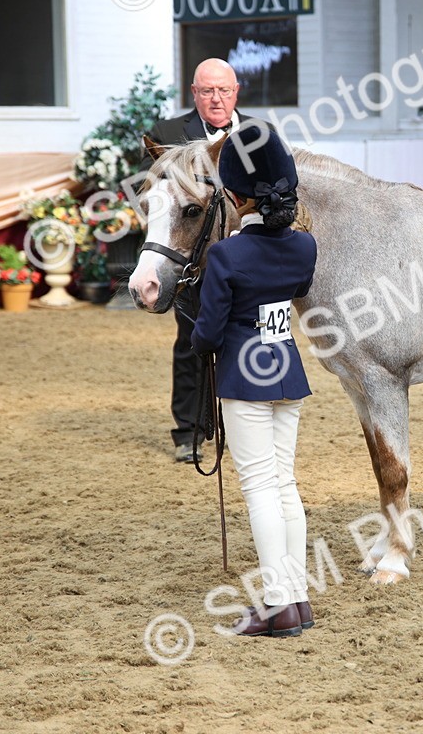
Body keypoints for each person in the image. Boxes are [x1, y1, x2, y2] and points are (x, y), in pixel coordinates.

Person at [190, 123, 317, 637]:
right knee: (284, 482)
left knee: (260, 487)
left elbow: (209, 332)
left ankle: (276, 604)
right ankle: (298, 597)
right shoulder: (304, 247)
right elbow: (295, 289)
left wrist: (199, 332)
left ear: (238, 198)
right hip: (287, 369)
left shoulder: (226, 255)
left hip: (244, 376)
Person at [146, 58, 259, 463]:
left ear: (236, 93)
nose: (216, 99)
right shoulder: (169, 134)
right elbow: (158, 201)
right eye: (207, 91)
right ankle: (189, 431)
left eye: (224, 91)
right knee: (192, 341)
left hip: (246, 257)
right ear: (194, 93)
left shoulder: (258, 136)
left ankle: (238, 425)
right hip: (192, 258)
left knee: (244, 339)